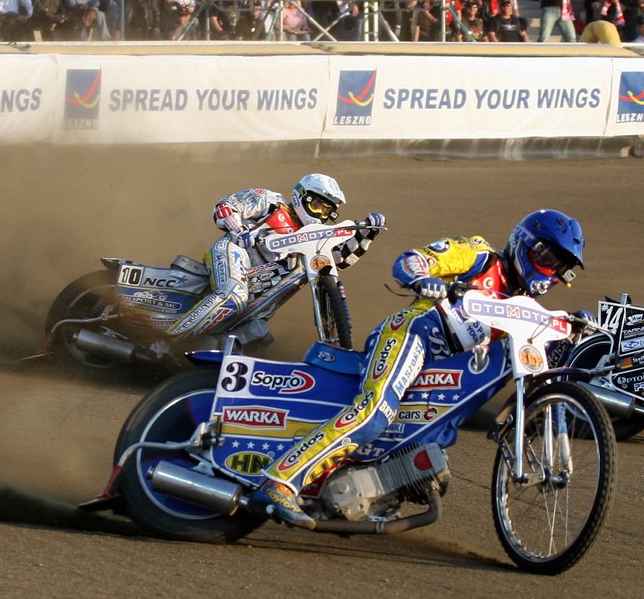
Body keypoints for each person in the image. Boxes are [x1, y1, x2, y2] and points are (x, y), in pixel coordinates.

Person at [249, 210, 585, 528]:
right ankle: (280, 482)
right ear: (525, 244)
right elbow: (412, 259)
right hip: (413, 332)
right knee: (373, 413)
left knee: (430, 442)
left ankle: (362, 487)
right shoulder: (480, 255)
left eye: (561, 269)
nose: (550, 273)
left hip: (442, 367)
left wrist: (572, 326)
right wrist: (424, 279)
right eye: (548, 260)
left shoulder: (525, 309)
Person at [164, 174, 383, 349]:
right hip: (235, 251)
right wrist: (239, 230)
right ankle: (166, 342)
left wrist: (366, 235)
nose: (320, 214)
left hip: (261, 282)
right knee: (234, 295)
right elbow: (225, 205)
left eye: (327, 211)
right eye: (317, 205)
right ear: (301, 196)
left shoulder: (314, 235)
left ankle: (204, 358)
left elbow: (338, 260)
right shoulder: (271, 202)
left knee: (258, 334)